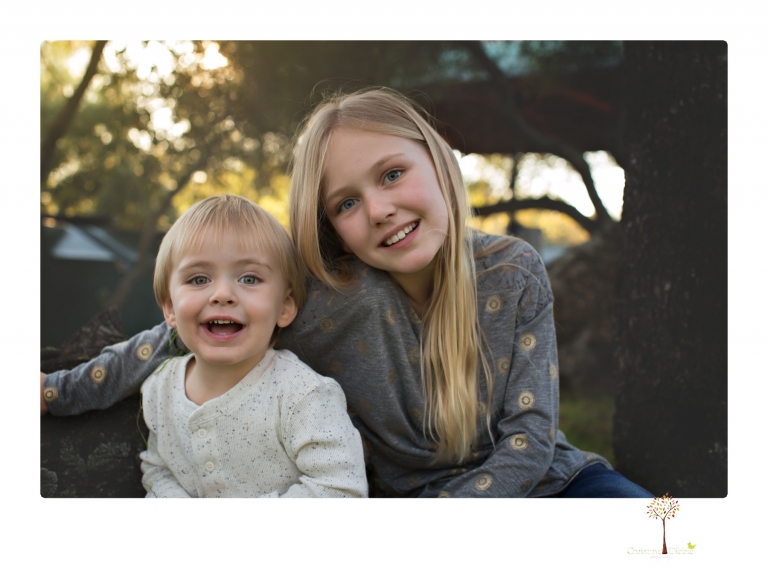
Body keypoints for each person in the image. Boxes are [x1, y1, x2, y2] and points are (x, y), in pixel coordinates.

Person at [41, 88, 651, 498]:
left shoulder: (513, 271)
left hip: (550, 485)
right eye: (347, 203)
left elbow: (531, 433)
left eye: (392, 174)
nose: (381, 209)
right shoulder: (328, 297)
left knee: (671, 536)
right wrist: (52, 391)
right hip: (397, 509)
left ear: (438, 160)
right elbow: (175, 337)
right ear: (329, 225)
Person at [128, 194, 365, 497]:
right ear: (170, 308)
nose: (223, 294)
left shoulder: (302, 395)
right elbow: (159, 469)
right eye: (199, 279)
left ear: (284, 306)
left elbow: (341, 490)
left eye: (250, 279)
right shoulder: (159, 388)